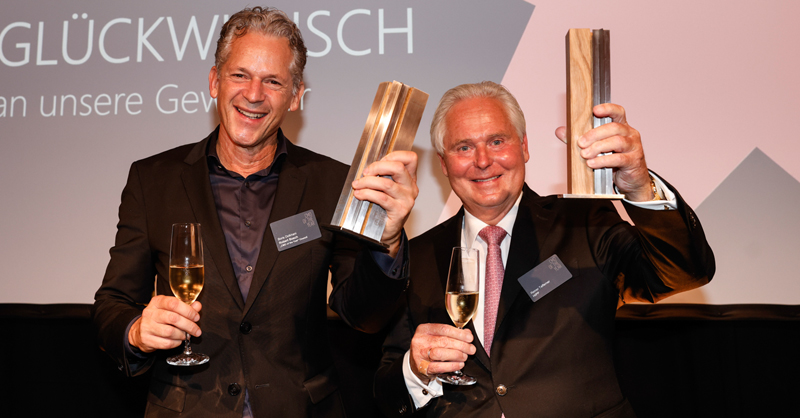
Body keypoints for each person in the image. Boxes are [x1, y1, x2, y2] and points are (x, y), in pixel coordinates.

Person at [92, 7, 418, 418]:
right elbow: (113, 302)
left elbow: (364, 316)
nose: (253, 94)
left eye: (273, 81)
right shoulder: (153, 180)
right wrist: (136, 331)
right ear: (215, 81)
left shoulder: (335, 183)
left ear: (296, 96)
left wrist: (388, 241)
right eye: (240, 75)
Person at [374, 81, 715, 418]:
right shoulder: (414, 257)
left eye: (497, 141)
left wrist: (640, 186)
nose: (482, 160)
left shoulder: (583, 222)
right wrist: (415, 369)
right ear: (443, 163)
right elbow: (386, 392)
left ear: (524, 146)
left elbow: (684, 271)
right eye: (463, 147)